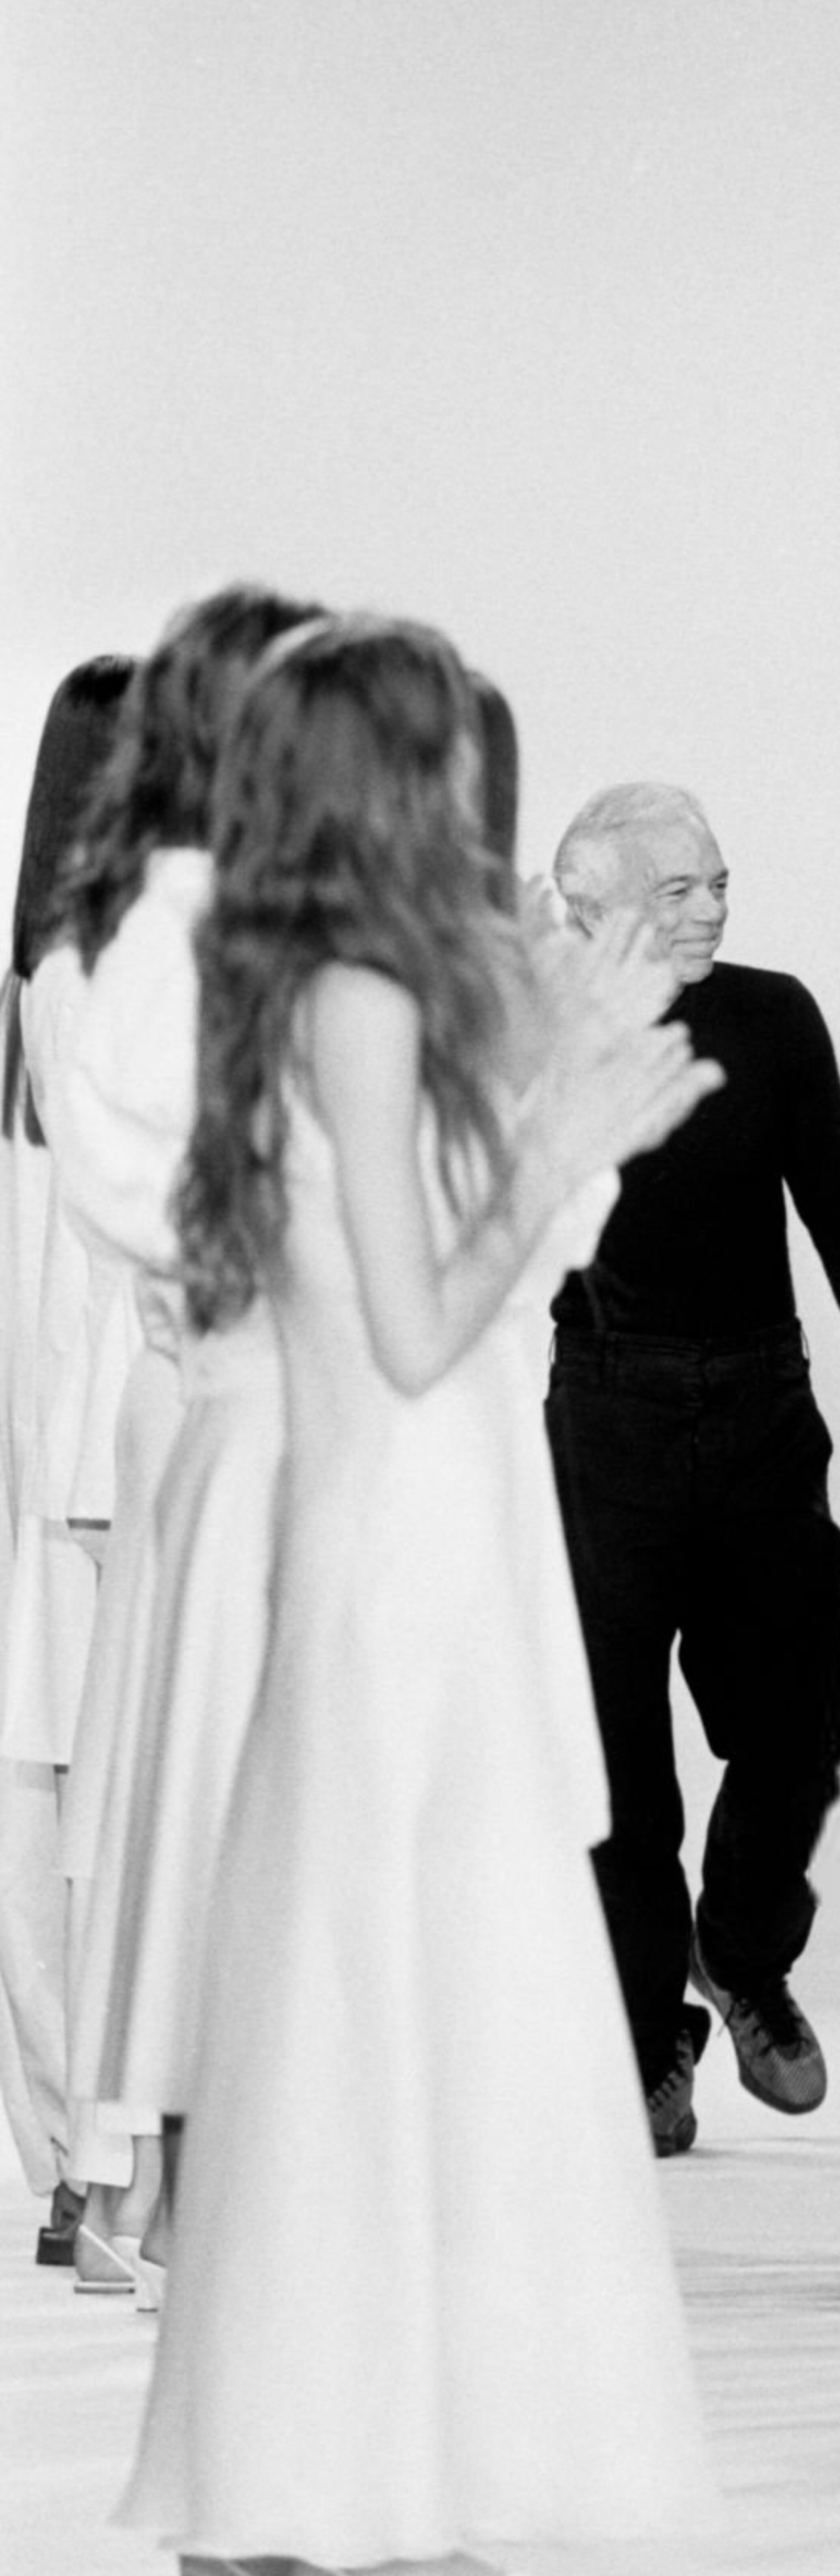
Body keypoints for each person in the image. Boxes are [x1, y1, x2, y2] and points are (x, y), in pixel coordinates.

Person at [121, 614, 718, 2576]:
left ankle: (274, 2501)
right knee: (388, 2013)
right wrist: (558, 1144)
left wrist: (554, 1123)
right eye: (447, 756)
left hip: (389, 1524)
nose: (476, 796)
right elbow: (412, 1323)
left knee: (336, 2013)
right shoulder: (362, 996)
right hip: (405, 1529)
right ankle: (360, 2518)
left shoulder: (299, 986)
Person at [547, 781, 840, 2152]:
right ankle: (646, 2041)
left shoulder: (774, 1018)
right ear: (590, 910)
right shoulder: (542, 1030)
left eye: (718, 881)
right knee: (622, 1768)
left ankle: (738, 1954)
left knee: (796, 1722)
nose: (712, 909)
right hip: (605, 1416)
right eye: (677, 890)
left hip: (760, 1410)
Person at [32, 589, 320, 2294]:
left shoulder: (111, 951)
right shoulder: (181, 951)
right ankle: (151, 2182)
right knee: (200, 1795)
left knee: (175, 1790)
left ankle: (133, 2176)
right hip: (224, 1395)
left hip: (197, 1395)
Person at [0, 658, 132, 2260]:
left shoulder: (48, 987)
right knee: (94, 1820)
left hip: (66, 1459)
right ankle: (93, 2160)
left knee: (52, 1817)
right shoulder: (98, 988)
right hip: (101, 1458)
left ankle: (74, 2160)